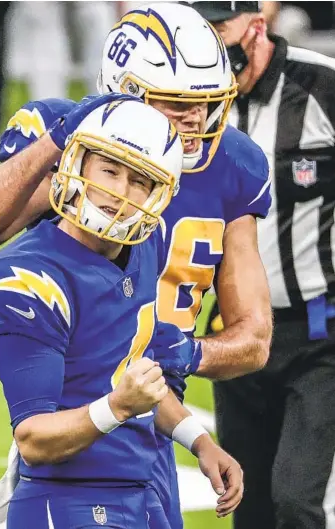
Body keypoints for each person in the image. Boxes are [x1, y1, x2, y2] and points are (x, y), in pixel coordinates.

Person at [0, 3, 272, 527]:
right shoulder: (71, 144)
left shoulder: (226, 168)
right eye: (175, 104)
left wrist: (185, 359)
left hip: (153, 417)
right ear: (121, 94)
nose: (195, 121)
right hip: (77, 415)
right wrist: (65, 141)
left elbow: (253, 338)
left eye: (206, 104)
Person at [0, 93, 243, 529]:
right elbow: (33, 438)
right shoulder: (28, 277)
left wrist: (199, 442)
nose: (120, 193)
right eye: (110, 170)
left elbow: (135, 370)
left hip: (141, 487)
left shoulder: (145, 246)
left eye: (140, 181)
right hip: (67, 498)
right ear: (77, 165)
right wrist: (118, 407)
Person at [190, 2, 335, 528]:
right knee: (247, 507)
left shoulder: (321, 86)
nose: (206, 42)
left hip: (318, 330)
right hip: (232, 335)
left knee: (295, 500)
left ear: (257, 25)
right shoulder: (189, 98)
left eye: (217, 27)